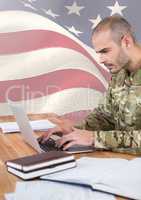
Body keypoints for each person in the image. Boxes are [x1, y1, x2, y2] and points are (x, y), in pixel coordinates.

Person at [41, 15, 141, 155]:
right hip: (123, 161)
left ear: (126, 42)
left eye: (105, 51)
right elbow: (105, 116)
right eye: (99, 53)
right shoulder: (120, 73)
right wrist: (74, 129)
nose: (101, 60)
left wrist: (95, 138)